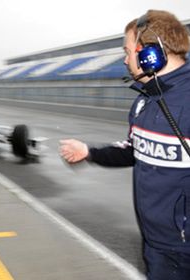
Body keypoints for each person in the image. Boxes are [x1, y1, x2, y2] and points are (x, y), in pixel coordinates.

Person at [59, 10, 190, 279]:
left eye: (127, 51)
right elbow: (134, 150)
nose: (125, 59)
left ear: (149, 54)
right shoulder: (144, 101)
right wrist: (89, 152)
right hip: (156, 245)